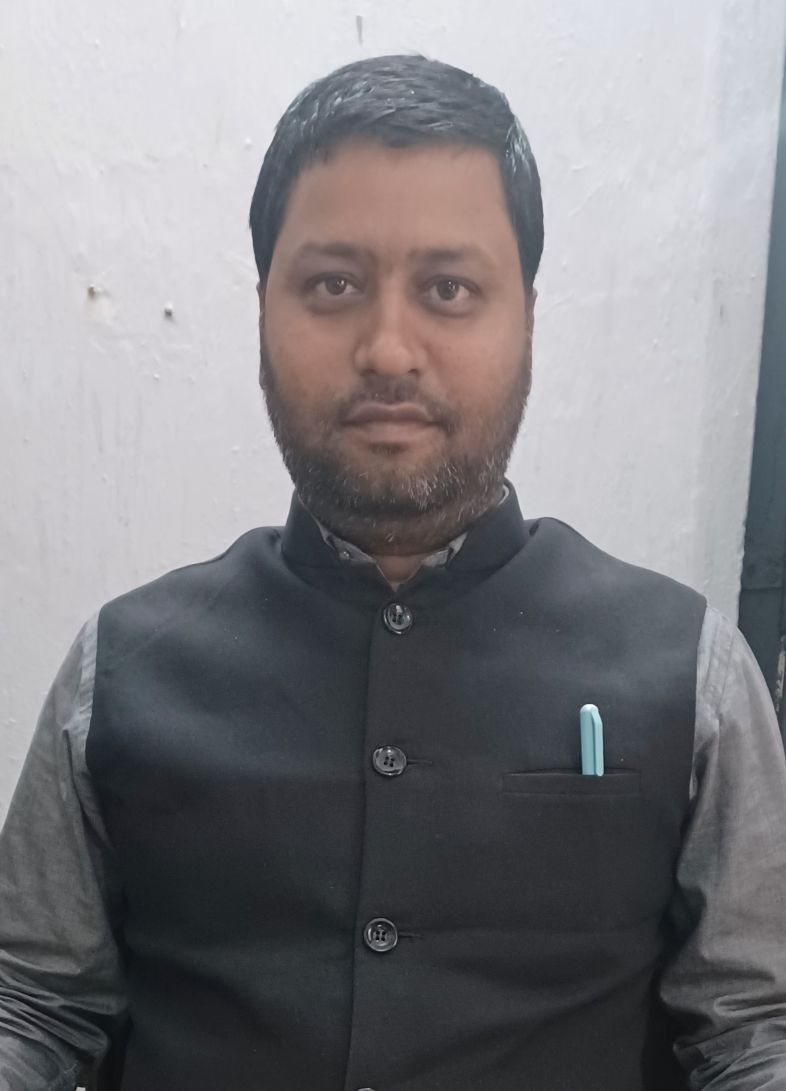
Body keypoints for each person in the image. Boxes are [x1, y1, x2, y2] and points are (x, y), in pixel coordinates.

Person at [1, 53, 785, 1091]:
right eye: (333, 285)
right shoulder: (121, 669)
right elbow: (32, 1003)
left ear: (527, 315)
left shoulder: (692, 675)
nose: (387, 349)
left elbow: (753, 1030)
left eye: (448, 289)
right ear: (264, 309)